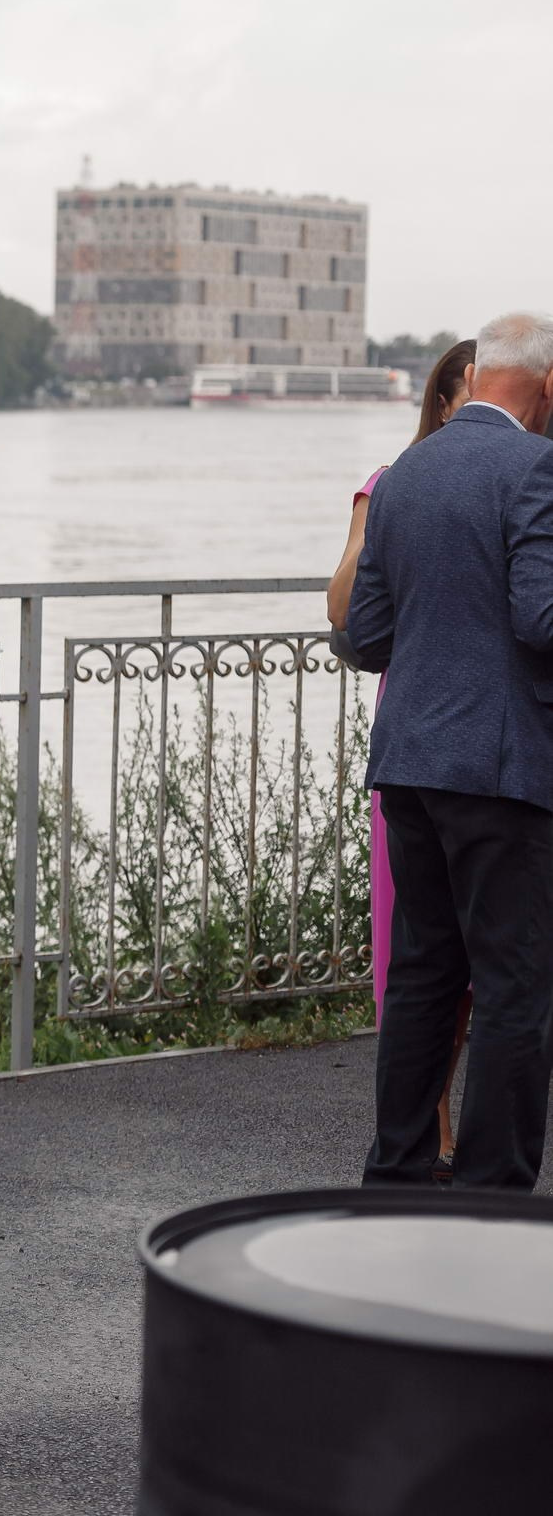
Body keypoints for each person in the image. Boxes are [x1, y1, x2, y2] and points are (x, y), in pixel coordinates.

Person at [345, 311, 553, 1193]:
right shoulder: (538, 467)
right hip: (503, 770)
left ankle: (395, 1175)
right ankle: (490, 1195)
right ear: (547, 386)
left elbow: (364, 635)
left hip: (408, 764)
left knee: (424, 973)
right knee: (514, 986)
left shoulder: (406, 474)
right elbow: (541, 618)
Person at [325, 339, 474, 1173]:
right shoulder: (391, 483)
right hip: (419, 738)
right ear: (444, 403)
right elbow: (344, 608)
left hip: (481, 736)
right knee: (413, 939)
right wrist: (373, 519)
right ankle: (432, 1121)